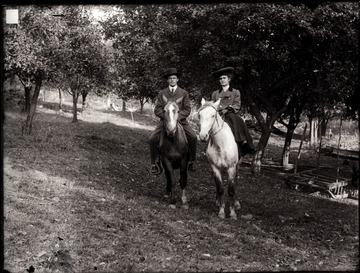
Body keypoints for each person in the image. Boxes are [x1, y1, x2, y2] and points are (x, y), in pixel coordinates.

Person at [149, 68, 197, 174]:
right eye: (170, 78)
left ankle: (191, 161)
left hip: (180, 120)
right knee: (152, 138)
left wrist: (176, 117)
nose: (172, 80)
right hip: (165, 121)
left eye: (174, 78)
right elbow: (157, 109)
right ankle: (154, 163)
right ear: (167, 80)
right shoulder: (162, 93)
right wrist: (167, 117)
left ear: (177, 79)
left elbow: (187, 109)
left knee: (193, 137)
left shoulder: (184, 93)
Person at [210, 66, 256, 156]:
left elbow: (237, 105)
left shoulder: (235, 92)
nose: (222, 80)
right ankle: (208, 142)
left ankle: (244, 142)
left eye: (224, 78)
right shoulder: (215, 93)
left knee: (237, 120)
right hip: (218, 114)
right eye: (220, 79)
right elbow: (212, 105)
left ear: (229, 79)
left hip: (230, 113)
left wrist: (227, 110)